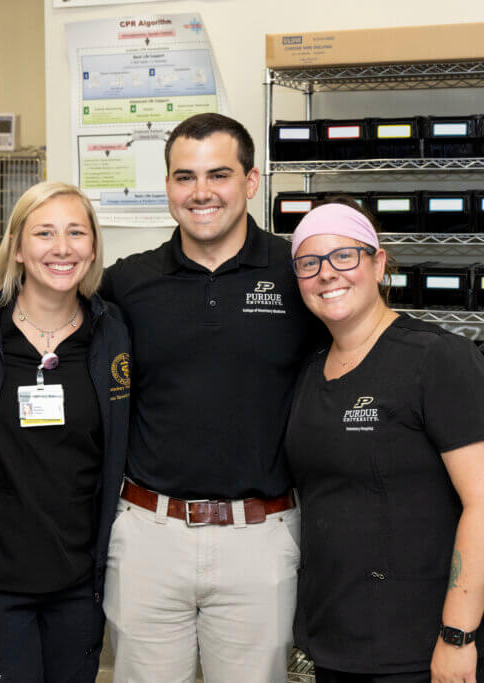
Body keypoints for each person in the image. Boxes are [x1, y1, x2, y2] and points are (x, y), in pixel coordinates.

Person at [99, 112, 327, 682]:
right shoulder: (127, 283)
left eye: (219, 175)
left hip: (260, 539)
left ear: (251, 182)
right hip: (149, 536)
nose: (201, 193)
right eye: (184, 177)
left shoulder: (297, 272)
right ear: (168, 186)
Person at [284, 198, 484, 683]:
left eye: (344, 256)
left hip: (420, 645)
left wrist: (458, 636)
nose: (327, 273)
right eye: (309, 263)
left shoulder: (438, 360)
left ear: (378, 262)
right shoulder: (311, 370)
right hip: (339, 636)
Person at [0, 181, 130, 682]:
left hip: (77, 583)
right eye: (44, 232)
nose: (62, 248)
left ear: (93, 246)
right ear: (17, 246)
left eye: (76, 232)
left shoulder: (111, 331)